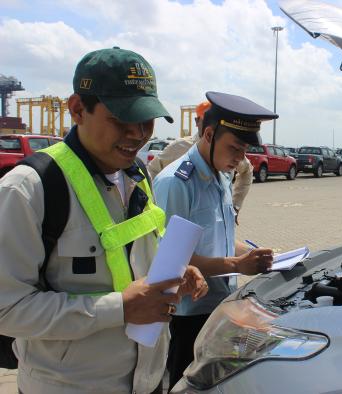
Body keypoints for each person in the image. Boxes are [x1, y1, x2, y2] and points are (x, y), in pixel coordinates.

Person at [0, 47, 208, 394]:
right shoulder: (28, 190)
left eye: (146, 120)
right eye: (120, 120)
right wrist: (121, 308)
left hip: (150, 380)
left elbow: (135, 260)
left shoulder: (138, 173)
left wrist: (174, 272)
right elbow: (8, 308)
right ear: (78, 109)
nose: (138, 134)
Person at [153, 91, 276, 389]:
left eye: (244, 150)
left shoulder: (221, 174)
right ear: (208, 134)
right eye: (234, 148)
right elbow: (171, 261)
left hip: (218, 307)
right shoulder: (176, 183)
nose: (240, 158)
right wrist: (237, 264)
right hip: (185, 317)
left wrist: (253, 254)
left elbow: (221, 236)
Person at [147, 102, 253, 224]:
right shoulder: (179, 147)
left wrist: (235, 206)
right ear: (197, 121)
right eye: (206, 120)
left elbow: (247, 171)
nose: (238, 157)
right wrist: (155, 203)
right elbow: (152, 170)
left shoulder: (229, 155)